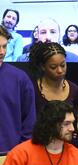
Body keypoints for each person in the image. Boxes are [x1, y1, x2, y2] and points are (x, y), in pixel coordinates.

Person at [28, 42, 78, 147]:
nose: (60, 70)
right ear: (43, 66)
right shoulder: (31, 89)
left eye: (63, 65)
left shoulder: (74, 89)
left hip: (68, 147)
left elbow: (73, 124)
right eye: (53, 67)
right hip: (39, 147)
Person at [0, 25, 36, 153]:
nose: (2, 52)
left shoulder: (20, 78)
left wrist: (20, 153)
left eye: (4, 46)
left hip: (9, 156)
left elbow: (29, 123)